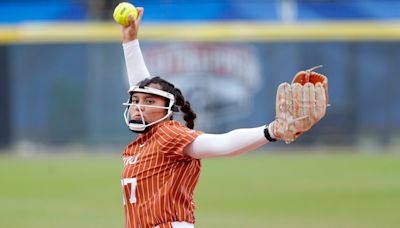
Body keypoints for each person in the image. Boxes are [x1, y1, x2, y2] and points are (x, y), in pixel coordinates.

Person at [118, 7, 327, 228]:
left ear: (167, 111)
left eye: (149, 102)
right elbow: (141, 88)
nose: (138, 107)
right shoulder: (142, 144)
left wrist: (271, 131)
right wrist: (130, 41)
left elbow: (223, 144)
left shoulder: (169, 135)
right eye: (136, 100)